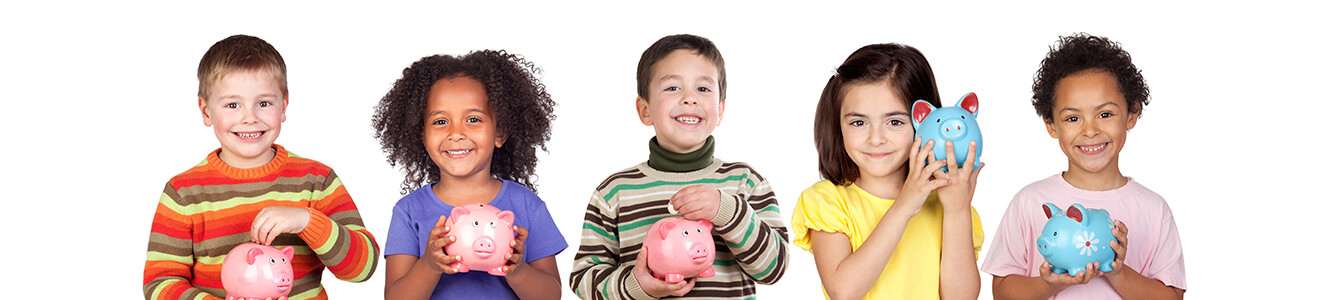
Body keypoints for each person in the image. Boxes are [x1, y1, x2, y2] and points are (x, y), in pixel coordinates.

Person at [143, 34, 380, 300]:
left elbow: (363, 267)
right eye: (233, 105)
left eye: (264, 103)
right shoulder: (184, 193)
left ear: (283, 106)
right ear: (206, 111)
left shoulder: (316, 180)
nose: (249, 118)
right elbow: (160, 283)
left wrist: (306, 221)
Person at [569, 34, 789, 299]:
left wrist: (726, 211)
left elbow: (774, 268)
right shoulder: (615, 192)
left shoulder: (745, 182)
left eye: (703, 89)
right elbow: (583, 279)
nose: (689, 98)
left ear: (720, 110)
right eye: (673, 88)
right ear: (645, 110)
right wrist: (636, 286)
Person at [984, 33, 1186, 300]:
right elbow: (1002, 293)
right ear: (1051, 125)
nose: (1090, 130)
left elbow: (1171, 297)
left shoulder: (1154, 209)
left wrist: (1117, 271)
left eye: (1105, 114)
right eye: (1072, 118)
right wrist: (1051, 284)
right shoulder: (1030, 202)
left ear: (1132, 114)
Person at [790, 43, 984, 300]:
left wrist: (958, 210)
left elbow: (961, 297)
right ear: (837, 126)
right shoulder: (826, 202)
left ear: (924, 122)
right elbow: (843, 291)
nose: (876, 138)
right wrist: (905, 204)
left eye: (894, 122)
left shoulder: (950, 206)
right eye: (859, 122)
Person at [372, 50, 565, 300]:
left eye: (473, 119)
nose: (456, 133)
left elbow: (551, 295)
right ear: (422, 135)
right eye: (440, 122)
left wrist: (516, 271)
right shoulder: (408, 211)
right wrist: (429, 265)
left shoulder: (526, 205)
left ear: (500, 132)